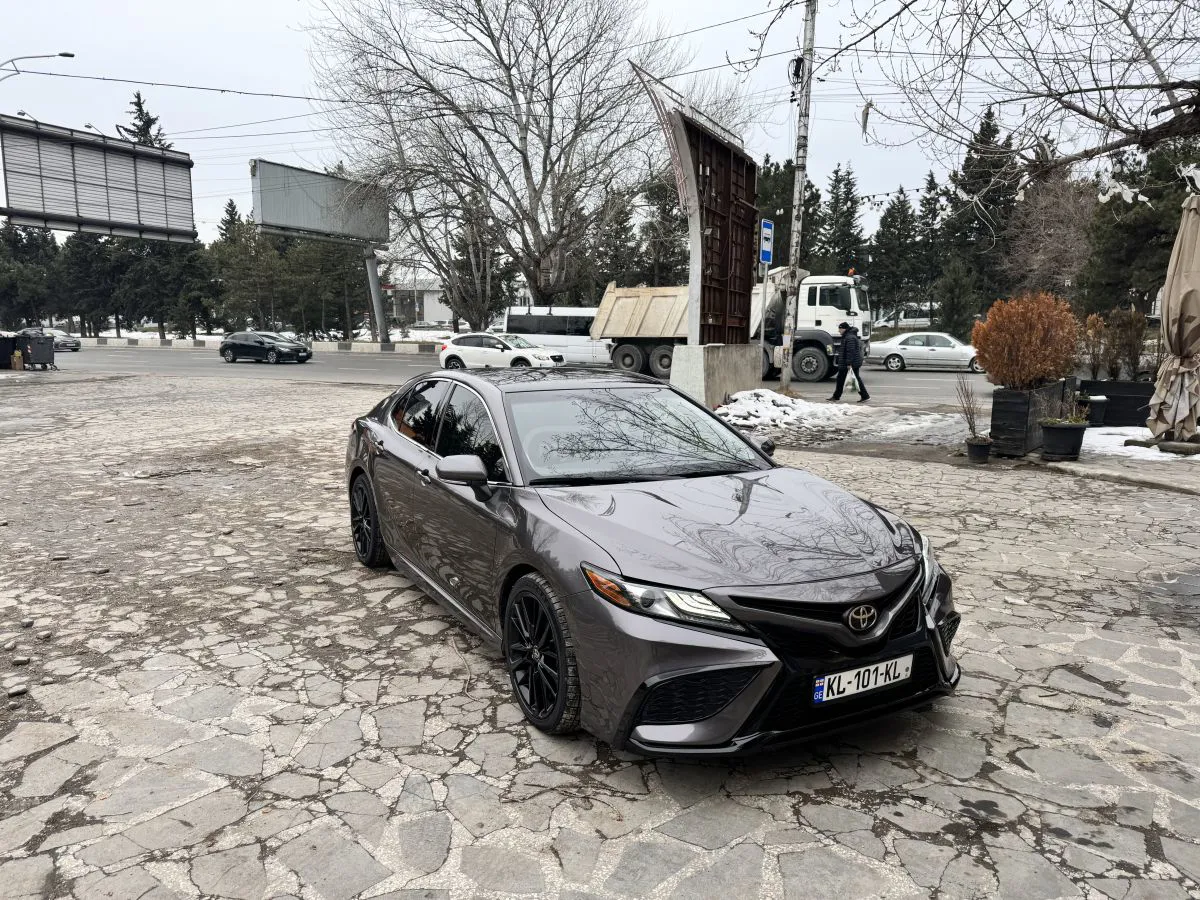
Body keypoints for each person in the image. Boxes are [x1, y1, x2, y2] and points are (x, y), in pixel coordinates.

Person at [829, 321, 870, 402]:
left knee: (848, 379)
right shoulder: (848, 336)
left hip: (850, 363)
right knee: (843, 378)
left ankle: (865, 396)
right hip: (850, 362)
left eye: (839, 329)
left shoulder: (849, 337)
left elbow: (850, 351)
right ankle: (836, 396)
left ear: (844, 329)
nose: (838, 331)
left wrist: (849, 363)